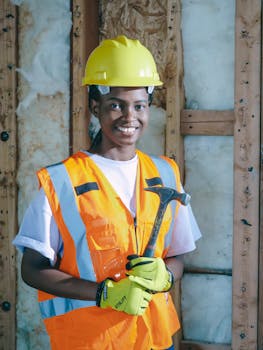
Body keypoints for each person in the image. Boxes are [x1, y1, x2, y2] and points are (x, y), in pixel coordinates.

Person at [13, 35, 201, 350]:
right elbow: (32, 270)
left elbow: (177, 255)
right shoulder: (62, 181)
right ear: (95, 106)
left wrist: (165, 277)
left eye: (139, 106)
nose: (130, 117)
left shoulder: (166, 173)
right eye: (116, 105)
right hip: (90, 341)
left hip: (154, 340)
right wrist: (104, 293)